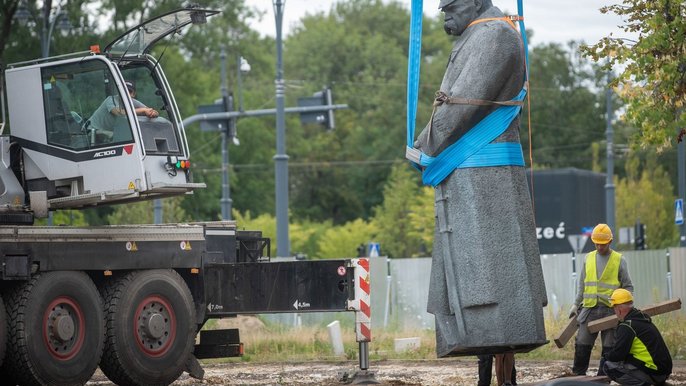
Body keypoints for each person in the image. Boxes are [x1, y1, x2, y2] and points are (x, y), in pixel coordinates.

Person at [415, 0, 547, 356]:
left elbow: (462, 103)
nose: (445, 14)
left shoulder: (493, 35)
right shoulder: (481, 33)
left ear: (475, 3)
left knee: (488, 272)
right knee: (475, 268)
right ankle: (480, 336)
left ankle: (495, 332)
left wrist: (424, 145)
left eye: (451, 6)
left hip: (484, 173)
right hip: (471, 169)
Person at [570, 223, 633, 376]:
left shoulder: (619, 260)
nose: (599, 247)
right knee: (582, 344)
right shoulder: (588, 258)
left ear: (610, 242)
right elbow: (582, 285)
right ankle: (578, 377)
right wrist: (575, 304)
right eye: (597, 243)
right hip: (589, 309)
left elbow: (628, 287)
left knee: (609, 347)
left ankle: (603, 378)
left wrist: (625, 308)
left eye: (602, 244)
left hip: (610, 310)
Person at [602, 288, 672, 385]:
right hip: (663, 370)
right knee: (625, 360)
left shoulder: (627, 326)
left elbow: (618, 355)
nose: (614, 311)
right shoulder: (641, 319)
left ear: (619, 309)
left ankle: (644, 384)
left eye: (614, 307)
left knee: (609, 366)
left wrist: (605, 356)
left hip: (655, 373)